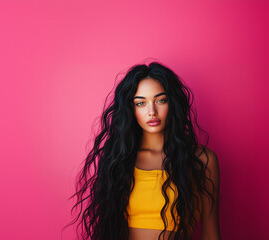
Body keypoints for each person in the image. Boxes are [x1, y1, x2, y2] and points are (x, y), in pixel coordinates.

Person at [68, 62, 221, 240]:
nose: (152, 111)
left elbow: (211, 233)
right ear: (130, 109)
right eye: (141, 103)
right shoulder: (118, 160)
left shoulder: (202, 160)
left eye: (161, 100)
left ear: (173, 104)